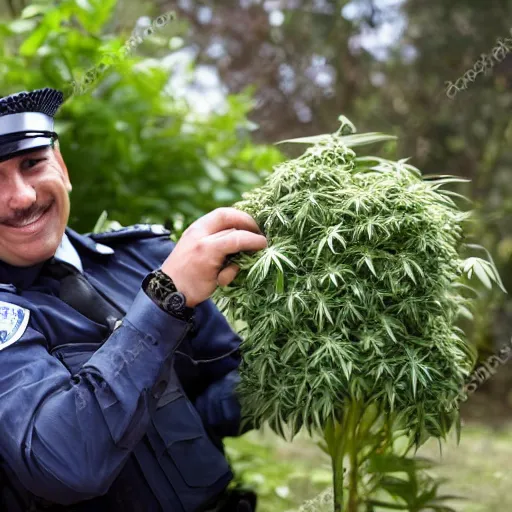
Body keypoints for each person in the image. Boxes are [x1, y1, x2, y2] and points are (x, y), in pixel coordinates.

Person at [0, 88, 268, 512]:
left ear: (62, 166)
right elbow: (69, 462)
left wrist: (306, 369)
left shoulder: (144, 256)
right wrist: (164, 300)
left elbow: (218, 390)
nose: (22, 197)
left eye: (33, 164)